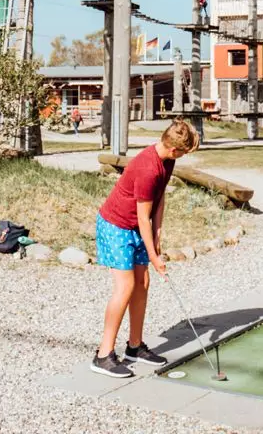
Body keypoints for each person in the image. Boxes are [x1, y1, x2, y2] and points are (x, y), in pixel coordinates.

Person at [91, 118, 199, 378]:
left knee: (143, 283)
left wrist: (158, 240)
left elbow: (159, 200)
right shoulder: (148, 168)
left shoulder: (167, 160)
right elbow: (142, 216)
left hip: (135, 226)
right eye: (184, 152)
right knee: (125, 286)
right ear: (174, 149)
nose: (183, 157)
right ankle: (103, 355)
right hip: (116, 226)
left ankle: (134, 347)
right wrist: (153, 254)